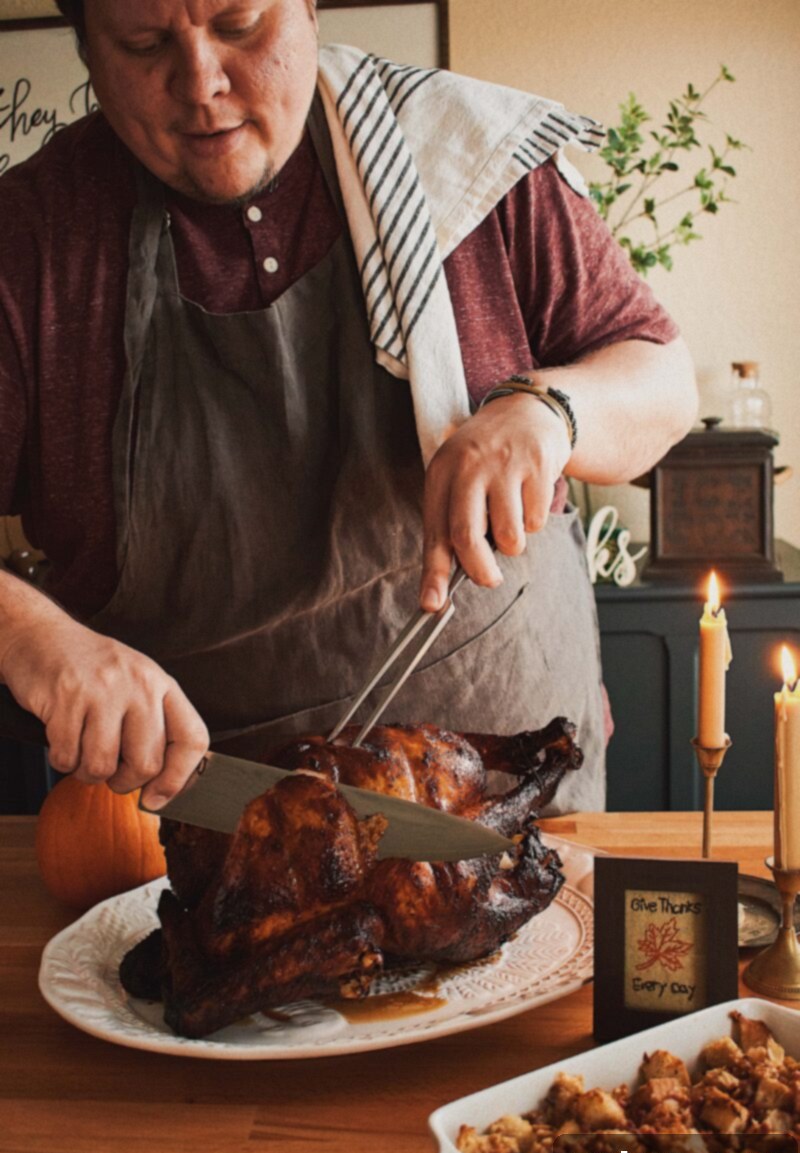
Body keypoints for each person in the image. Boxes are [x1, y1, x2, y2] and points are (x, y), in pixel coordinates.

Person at [0, 0, 697, 815]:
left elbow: (662, 377)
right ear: (88, 49)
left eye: (239, 24)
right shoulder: (29, 240)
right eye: (146, 44)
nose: (201, 84)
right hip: (207, 823)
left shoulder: (464, 154)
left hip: (509, 796)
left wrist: (554, 410)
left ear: (307, 10)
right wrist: (32, 637)